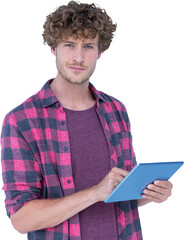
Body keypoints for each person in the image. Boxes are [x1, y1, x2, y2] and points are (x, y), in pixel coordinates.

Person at [1, 1, 173, 239]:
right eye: (69, 44)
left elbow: (119, 193)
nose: (78, 57)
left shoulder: (115, 110)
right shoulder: (21, 121)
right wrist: (94, 193)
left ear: (99, 52)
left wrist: (151, 192)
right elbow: (21, 218)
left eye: (88, 46)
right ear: (54, 48)